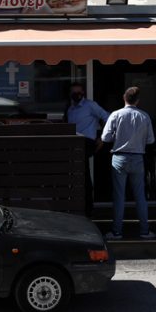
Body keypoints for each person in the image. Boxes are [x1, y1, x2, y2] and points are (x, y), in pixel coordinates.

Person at [100, 86, 156, 239]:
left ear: (124, 97)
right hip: (138, 158)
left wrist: (118, 137)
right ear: (137, 100)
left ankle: (117, 231)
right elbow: (151, 140)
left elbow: (105, 138)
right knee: (140, 196)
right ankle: (145, 230)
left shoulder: (116, 114)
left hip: (120, 158)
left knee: (119, 196)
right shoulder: (144, 116)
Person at [66, 82, 109, 217]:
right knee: (76, 175)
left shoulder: (90, 105)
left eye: (79, 92)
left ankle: (87, 207)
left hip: (85, 142)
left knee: (83, 175)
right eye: (74, 93)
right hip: (74, 143)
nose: (77, 95)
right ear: (70, 94)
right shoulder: (71, 109)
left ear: (83, 93)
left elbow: (108, 117)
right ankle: (77, 205)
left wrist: (102, 138)